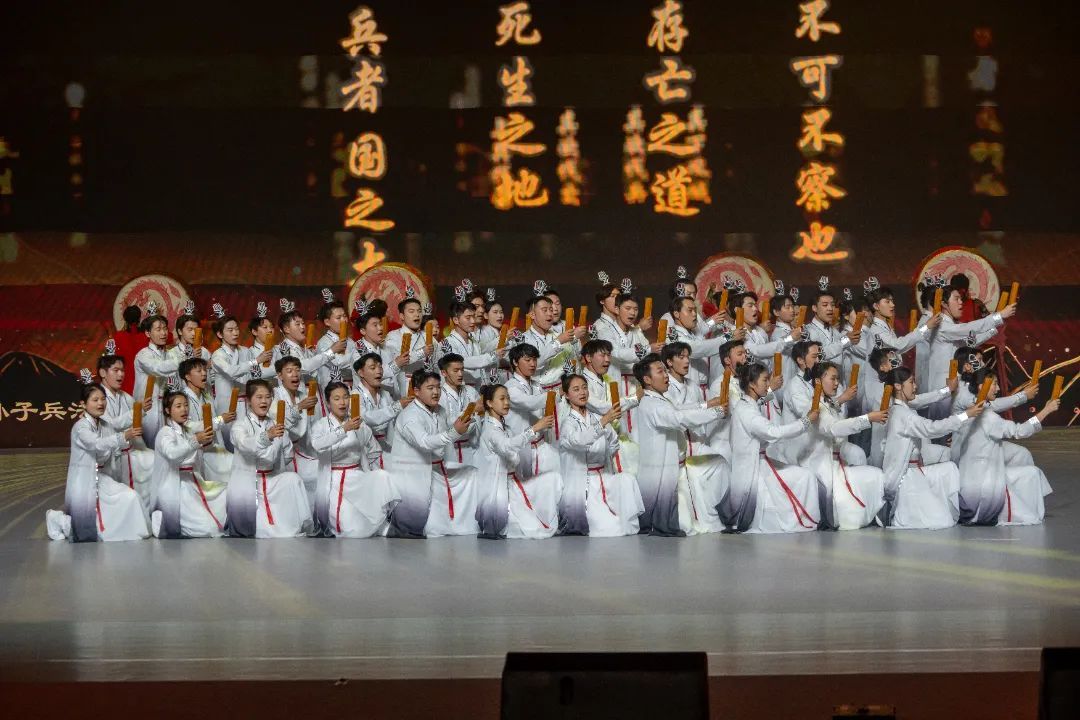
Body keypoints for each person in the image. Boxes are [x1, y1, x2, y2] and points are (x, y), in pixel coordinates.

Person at [633, 353, 727, 536]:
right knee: (671, 516)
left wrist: (708, 405)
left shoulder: (658, 399)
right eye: (660, 371)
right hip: (659, 470)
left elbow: (679, 409)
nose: (666, 375)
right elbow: (678, 418)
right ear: (647, 380)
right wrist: (715, 413)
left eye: (665, 371)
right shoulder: (652, 404)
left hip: (669, 467)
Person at [879, 367, 983, 529]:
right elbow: (932, 428)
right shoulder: (903, 414)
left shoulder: (900, 409)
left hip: (911, 471)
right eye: (911, 382)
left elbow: (922, 399)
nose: (915, 386)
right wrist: (965, 415)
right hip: (905, 479)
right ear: (898, 386)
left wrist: (947, 390)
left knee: (948, 465)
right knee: (950, 471)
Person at [46, 380, 150, 542]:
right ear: (83, 404)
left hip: (102, 478)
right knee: (84, 530)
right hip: (85, 481)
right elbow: (96, 444)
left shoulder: (106, 425)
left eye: (103, 399)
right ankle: (56, 519)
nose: (100, 403)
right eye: (95, 400)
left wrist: (129, 435)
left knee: (131, 497)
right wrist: (123, 436)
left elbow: (116, 440)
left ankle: (117, 529)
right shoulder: (80, 428)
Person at [954, 368, 1057, 526]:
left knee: (1023, 458)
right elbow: (1020, 431)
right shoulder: (988, 417)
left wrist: (1024, 396)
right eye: (995, 384)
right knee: (1033, 473)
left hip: (969, 482)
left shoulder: (969, 412)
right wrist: (1046, 411)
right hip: (983, 492)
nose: (998, 388)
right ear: (982, 386)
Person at [725, 362, 819, 533]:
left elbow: (762, 399)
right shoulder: (747, 411)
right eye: (765, 380)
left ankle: (807, 518)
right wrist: (806, 421)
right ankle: (807, 520)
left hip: (759, 462)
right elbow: (773, 432)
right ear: (752, 384)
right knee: (806, 476)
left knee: (805, 475)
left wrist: (770, 390)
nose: (768, 384)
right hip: (753, 469)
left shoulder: (748, 403)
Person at [388, 368, 481, 538]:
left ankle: (465, 521)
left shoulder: (439, 410)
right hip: (414, 473)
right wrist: (455, 432)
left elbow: (450, 424)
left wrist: (470, 414)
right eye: (430, 388)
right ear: (417, 391)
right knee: (417, 524)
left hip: (436, 468)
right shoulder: (410, 416)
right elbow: (425, 442)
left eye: (438, 387)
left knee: (472, 474)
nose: (436, 392)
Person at [557, 373, 645, 536]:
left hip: (603, 476)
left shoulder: (596, 417)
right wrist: (603, 422)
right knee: (609, 526)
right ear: (567, 395)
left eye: (584, 388)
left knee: (627, 480)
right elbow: (579, 441)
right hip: (584, 485)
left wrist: (604, 458)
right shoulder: (568, 423)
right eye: (576, 389)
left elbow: (613, 441)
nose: (582, 392)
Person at [803, 362, 888, 529]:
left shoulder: (827, 403)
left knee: (876, 475)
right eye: (833, 379)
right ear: (818, 381)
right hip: (821, 468)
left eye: (838, 379)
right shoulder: (815, 406)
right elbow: (833, 428)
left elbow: (833, 407)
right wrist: (868, 418)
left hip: (836, 465)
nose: (837, 383)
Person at [310, 381, 400, 537]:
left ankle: (384, 523)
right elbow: (317, 445)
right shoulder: (321, 425)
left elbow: (374, 449)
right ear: (328, 403)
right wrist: (344, 429)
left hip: (357, 476)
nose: (342, 402)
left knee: (382, 475)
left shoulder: (359, 424)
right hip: (334, 480)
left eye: (346, 397)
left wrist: (369, 473)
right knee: (352, 528)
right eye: (337, 398)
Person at [227, 379, 313, 538]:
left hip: (272, 479)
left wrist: (274, 450)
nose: (264, 401)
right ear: (248, 401)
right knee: (257, 528)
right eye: (259, 397)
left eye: (268, 397)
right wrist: (268, 436)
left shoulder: (275, 423)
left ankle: (295, 524)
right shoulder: (240, 425)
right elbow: (245, 444)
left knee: (293, 479)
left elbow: (287, 453)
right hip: (250, 483)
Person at [474, 383, 561, 539]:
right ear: (489, 403)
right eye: (502, 399)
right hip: (500, 490)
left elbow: (516, 443)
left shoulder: (504, 427)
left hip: (513, 484)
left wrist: (538, 428)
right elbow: (507, 445)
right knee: (531, 528)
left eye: (508, 398)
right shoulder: (490, 430)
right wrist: (534, 428)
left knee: (553, 478)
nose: (507, 402)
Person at [661, 343, 729, 533]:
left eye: (687, 357)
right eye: (681, 357)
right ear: (669, 362)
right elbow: (675, 413)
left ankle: (720, 512)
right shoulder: (665, 387)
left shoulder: (693, 386)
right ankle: (701, 515)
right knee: (698, 473)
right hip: (677, 447)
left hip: (697, 442)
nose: (686, 361)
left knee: (722, 462)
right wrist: (707, 405)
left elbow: (701, 420)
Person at [924, 284, 1015, 419]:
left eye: (961, 299)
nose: (961, 302)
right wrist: (999, 316)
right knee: (943, 427)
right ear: (944, 304)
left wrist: (995, 328)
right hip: (943, 385)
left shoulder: (952, 326)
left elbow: (971, 341)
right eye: (956, 299)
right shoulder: (941, 325)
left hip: (955, 384)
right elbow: (969, 328)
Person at [150, 389, 227, 538]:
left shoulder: (187, 429)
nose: (184, 409)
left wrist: (205, 439)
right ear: (167, 410)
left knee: (225, 493)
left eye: (186, 405)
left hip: (192, 481)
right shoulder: (165, 432)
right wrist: (196, 441)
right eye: (178, 406)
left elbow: (201, 435)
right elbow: (172, 454)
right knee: (208, 528)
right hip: (176, 486)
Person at [862, 346, 956, 468]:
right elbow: (919, 400)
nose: (898, 362)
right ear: (882, 367)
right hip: (889, 455)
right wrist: (947, 390)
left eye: (898, 359)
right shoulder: (884, 390)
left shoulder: (896, 387)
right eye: (892, 360)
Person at [949, 348, 1038, 468]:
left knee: (1021, 453)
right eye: (979, 360)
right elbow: (992, 405)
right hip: (968, 452)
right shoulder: (963, 390)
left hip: (981, 444)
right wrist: (1024, 396)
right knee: (1020, 454)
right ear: (967, 366)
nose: (983, 364)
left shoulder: (969, 385)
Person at [593, 290, 660, 434]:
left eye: (635, 309)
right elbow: (617, 353)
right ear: (617, 309)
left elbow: (647, 356)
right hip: (615, 383)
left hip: (635, 384)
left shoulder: (636, 332)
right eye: (628, 308)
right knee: (618, 426)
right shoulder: (606, 331)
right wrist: (649, 349)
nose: (632, 313)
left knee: (637, 427)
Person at [98, 350, 154, 513]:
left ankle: (146, 512)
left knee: (154, 461)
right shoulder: (98, 398)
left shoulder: (126, 397)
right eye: (115, 370)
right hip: (109, 455)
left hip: (129, 451)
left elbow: (134, 427)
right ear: (103, 373)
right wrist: (138, 411)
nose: (121, 375)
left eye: (122, 370)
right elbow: (110, 425)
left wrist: (142, 447)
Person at [274, 299, 345, 416]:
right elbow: (302, 367)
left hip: (315, 396)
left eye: (303, 323)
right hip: (300, 398)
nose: (303, 327)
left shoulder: (304, 349)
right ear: (286, 329)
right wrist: (331, 351)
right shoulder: (283, 348)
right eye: (297, 324)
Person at [504, 343, 563, 479]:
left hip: (540, 446)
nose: (532, 364)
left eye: (535, 359)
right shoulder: (510, 387)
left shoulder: (536, 385)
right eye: (527, 360)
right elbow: (531, 403)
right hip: (522, 448)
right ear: (515, 362)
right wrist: (558, 392)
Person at [178, 357, 235, 487]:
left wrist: (221, 447)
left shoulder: (207, 395)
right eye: (199, 371)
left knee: (234, 465)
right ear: (187, 376)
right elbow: (187, 426)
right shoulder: (181, 398)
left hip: (211, 448)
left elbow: (215, 429)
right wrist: (220, 420)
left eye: (205, 370)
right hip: (194, 452)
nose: (204, 373)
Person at [351, 352, 411, 470]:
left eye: (380, 367)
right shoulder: (354, 396)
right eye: (373, 368)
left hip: (387, 445)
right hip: (366, 449)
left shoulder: (385, 394)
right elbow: (367, 418)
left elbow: (395, 422)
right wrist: (397, 407)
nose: (379, 371)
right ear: (361, 373)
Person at [273, 356, 320, 503]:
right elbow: (279, 421)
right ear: (280, 375)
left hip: (301, 449)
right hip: (281, 452)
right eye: (289, 371)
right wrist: (299, 407)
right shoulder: (274, 394)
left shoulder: (303, 396)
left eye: (297, 370)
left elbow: (310, 427)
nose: (295, 374)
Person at [133, 309, 181, 449]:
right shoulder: (143, 354)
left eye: (165, 329)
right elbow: (158, 368)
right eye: (158, 329)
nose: (163, 333)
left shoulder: (170, 354)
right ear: (148, 333)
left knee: (169, 446)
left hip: (167, 407)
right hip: (149, 407)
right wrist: (182, 359)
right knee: (150, 447)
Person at [520, 287, 585, 391]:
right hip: (537, 392)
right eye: (544, 310)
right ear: (532, 315)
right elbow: (533, 364)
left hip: (562, 391)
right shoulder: (524, 339)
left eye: (551, 310)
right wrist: (559, 342)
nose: (550, 313)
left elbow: (573, 360)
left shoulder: (557, 335)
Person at [667, 295, 728, 400]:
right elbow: (696, 348)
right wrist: (727, 338)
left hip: (704, 389)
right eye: (690, 310)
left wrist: (714, 320)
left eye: (695, 310)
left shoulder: (692, 332)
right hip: (687, 390)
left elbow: (702, 328)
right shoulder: (673, 334)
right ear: (676, 314)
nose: (695, 314)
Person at [210, 306, 253, 451]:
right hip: (227, 403)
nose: (235, 333)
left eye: (236, 329)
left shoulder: (245, 351)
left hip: (246, 402)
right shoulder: (218, 355)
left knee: (247, 440)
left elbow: (254, 374)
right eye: (230, 330)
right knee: (230, 442)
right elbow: (232, 371)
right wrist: (255, 361)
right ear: (220, 334)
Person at [437, 299, 502, 389]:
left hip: (478, 390)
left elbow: (481, 371)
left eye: (473, 317)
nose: (473, 321)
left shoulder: (473, 341)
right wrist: (492, 356)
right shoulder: (447, 343)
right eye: (468, 318)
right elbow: (461, 362)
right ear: (456, 320)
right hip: (459, 389)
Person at [383, 292, 436, 399]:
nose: (417, 315)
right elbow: (399, 360)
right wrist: (422, 352)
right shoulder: (393, 336)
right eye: (411, 311)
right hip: (404, 386)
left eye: (419, 311)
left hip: (428, 386)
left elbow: (437, 363)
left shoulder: (429, 337)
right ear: (402, 316)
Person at [314, 292, 360, 403]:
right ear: (327, 322)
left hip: (352, 388)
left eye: (344, 316)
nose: (344, 320)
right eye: (338, 318)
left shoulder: (350, 341)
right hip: (332, 392)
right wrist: (356, 357)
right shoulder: (324, 342)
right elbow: (338, 363)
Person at [437, 353, 482, 466]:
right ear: (444, 373)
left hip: (472, 448)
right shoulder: (439, 395)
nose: (460, 374)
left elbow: (481, 418)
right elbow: (443, 424)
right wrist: (471, 410)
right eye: (455, 370)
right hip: (451, 450)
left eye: (462, 369)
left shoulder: (471, 391)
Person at [354, 300, 406, 391]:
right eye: (375, 325)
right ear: (363, 331)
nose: (380, 328)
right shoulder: (359, 349)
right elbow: (370, 374)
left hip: (388, 395)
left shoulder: (385, 348)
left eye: (380, 324)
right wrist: (396, 364)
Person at [165, 310, 212, 387]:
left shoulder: (204, 351)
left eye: (196, 330)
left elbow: (211, 377)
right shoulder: (171, 354)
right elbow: (171, 380)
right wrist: (189, 358)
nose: (194, 333)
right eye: (190, 329)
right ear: (180, 331)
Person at [112, 304, 149, 395]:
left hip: (125, 379)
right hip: (143, 379)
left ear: (125, 319)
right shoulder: (146, 336)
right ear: (139, 318)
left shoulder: (118, 337)